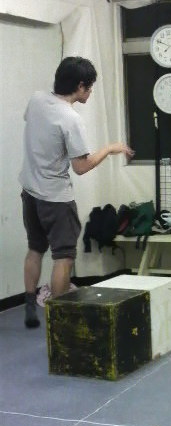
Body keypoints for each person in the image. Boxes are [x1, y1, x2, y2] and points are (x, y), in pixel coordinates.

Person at [19, 56, 134, 328]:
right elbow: (81, 167)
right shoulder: (70, 119)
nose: (90, 92)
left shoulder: (36, 100)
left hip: (29, 191)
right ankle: (60, 319)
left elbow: (33, 126)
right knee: (64, 257)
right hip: (55, 199)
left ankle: (29, 306)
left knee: (35, 248)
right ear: (80, 86)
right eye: (90, 87)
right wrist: (109, 148)